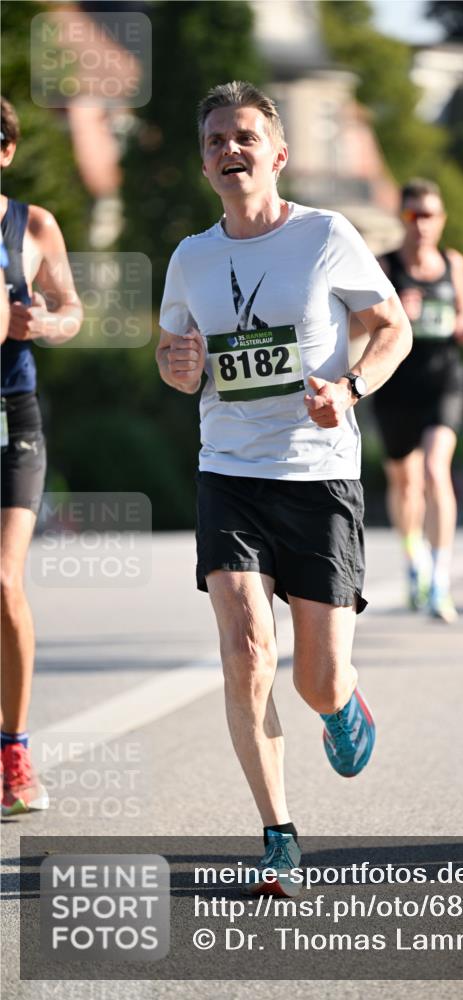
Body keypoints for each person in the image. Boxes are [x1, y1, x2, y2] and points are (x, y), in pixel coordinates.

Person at [156, 81, 411, 893]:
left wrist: (351, 389)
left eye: (243, 137)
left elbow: (391, 327)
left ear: (277, 153)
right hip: (228, 472)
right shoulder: (192, 257)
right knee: (245, 651)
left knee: (315, 677)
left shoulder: (325, 236)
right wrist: (178, 366)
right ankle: (278, 834)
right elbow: (171, 357)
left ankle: (341, 703)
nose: (229, 150)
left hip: (317, 476)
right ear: (204, 161)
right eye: (215, 141)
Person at [1, 97, 83, 814]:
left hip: (12, 420)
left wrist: (42, 321)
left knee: (3, 582)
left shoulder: (33, 226)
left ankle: (14, 752)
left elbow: (72, 311)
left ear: (5, 151)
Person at [370, 179, 463, 622]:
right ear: (402, 218)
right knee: (404, 482)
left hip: (444, 381)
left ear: (441, 220)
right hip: (397, 384)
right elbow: (362, 327)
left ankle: (440, 580)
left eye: (429, 215)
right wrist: (397, 312)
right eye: (413, 215)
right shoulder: (384, 266)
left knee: (435, 471)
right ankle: (413, 557)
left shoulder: (454, 263)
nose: (421, 225)